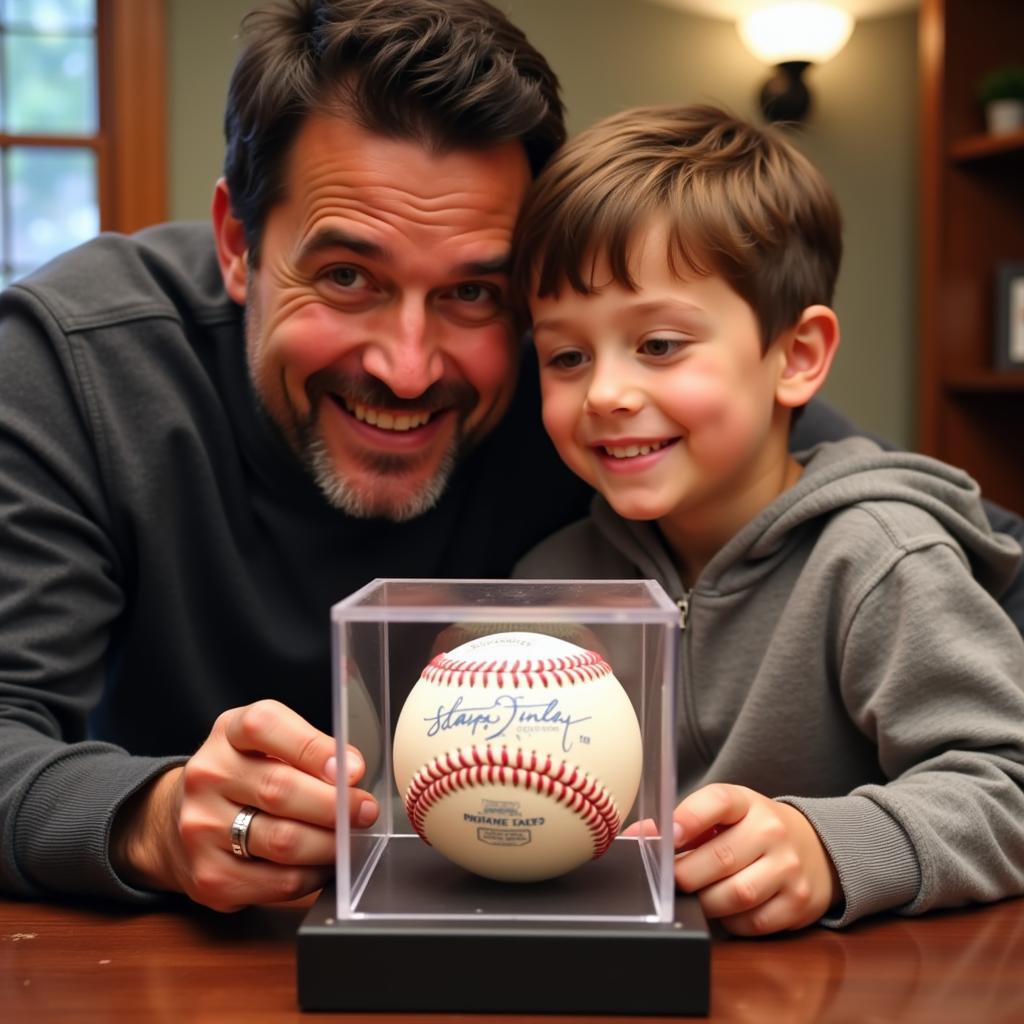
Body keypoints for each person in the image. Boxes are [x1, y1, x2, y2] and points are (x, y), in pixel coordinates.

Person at [1, 3, 1022, 918]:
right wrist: (146, 816)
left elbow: (883, 526)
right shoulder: (74, 361)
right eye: (349, 275)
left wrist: (846, 842)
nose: (406, 368)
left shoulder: (606, 394)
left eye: (473, 293)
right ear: (237, 242)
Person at [511, 104, 1024, 935]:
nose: (604, 392)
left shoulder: (880, 559)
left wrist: (831, 847)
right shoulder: (549, 581)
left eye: (660, 344)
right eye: (566, 356)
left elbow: (1008, 780)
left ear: (797, 357)